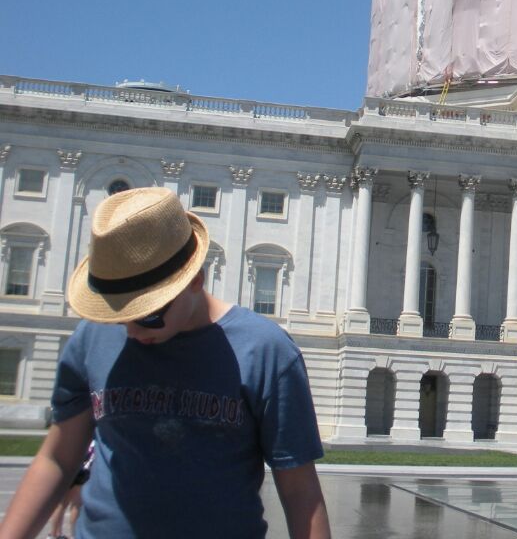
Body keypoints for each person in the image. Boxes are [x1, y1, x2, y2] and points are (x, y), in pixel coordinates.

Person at [0, 187, 329, 539]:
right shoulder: (91, 338)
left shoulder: (266, 352)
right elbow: (58, 459)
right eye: (116, 313)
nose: (130, 330)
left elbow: (300, 492)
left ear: (195, 281)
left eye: (148, 314)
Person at [44, 442, 92, 539]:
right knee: (76, 505)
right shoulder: (95, 436)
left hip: (70, 468)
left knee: (62, 504)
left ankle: (54, 534)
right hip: (84, 469)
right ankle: (74, 534)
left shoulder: (77, 434)